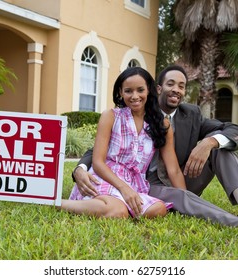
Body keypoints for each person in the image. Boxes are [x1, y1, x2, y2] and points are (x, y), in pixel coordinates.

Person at [72, 65, 238, 246]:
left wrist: (208, 142)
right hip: (147, 183)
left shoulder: (191, 115)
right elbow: (102, 153)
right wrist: (80, 169)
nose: (176, 90)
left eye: (181, 86)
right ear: (157, 88)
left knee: (219, 149)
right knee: (178, 199)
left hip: (177, 177)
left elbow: (233, 131)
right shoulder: (120, 115)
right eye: (170, 84)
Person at [61, 67, 185, 219]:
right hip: (106, 177)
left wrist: (187, 203)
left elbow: (173, 170)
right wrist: (124, 188)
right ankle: (59, 203)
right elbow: (98, 162)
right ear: (120, 92)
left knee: (158, 209)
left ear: (149, 91)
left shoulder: (162, 124)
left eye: (140, 90)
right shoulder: (111, 116)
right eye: (128, 91)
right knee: (118, 212)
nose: (135, 96)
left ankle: (115, 208)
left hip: (135, 183)